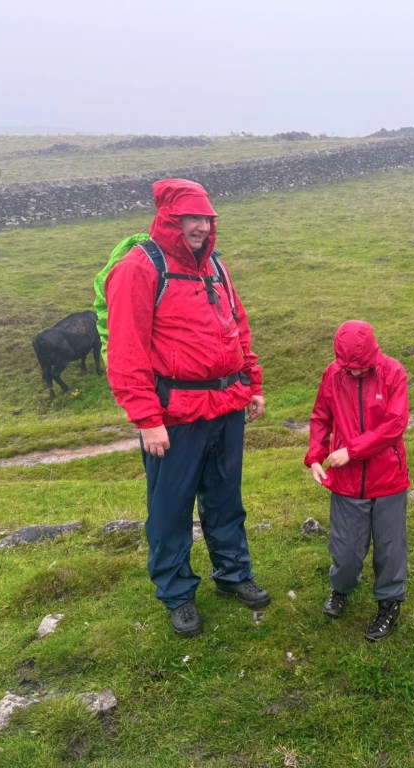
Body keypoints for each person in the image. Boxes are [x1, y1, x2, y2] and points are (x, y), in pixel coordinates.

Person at [105, 178, 270, 638]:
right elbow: (126, 352)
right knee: (170, 508)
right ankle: (178, 595)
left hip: (225, 403)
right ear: (170, 219)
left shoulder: (215, 265)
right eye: (191, 218)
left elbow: (237, 326)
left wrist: (250, 382)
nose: (200, 227)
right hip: (174, 416)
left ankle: (234, 575)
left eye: (207, 219)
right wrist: (146, 419)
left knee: (225, 498)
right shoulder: (139, 269)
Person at [305, 320, 410, 642]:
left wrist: (353, 451)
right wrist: (314, 456)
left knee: (390, 550)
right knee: (347, 550)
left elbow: (395, 424)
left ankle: (389, 603)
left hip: (388, 479)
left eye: (357, 368)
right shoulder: (333, 374)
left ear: (371, 356)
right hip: (346, 483)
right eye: (346, 367)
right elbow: (321, 416)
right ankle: (341, 588)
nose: (351, 372)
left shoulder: (393, 372)